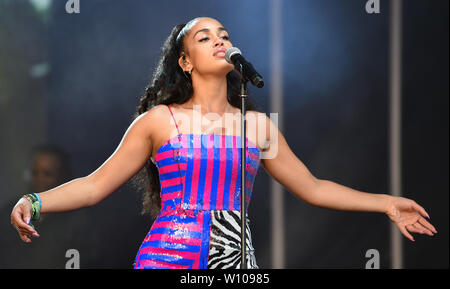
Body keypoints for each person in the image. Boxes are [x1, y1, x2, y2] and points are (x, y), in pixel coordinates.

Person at [10, 17, 437, 269]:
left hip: (234, 259)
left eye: (225, 35)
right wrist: (36, 199)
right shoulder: (159, 121)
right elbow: (93, 185)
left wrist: (385, 202)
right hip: (168, 256)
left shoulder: (258, 126)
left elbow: (314, 187)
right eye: (205, 37)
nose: (220, 40)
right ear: (185, 61)